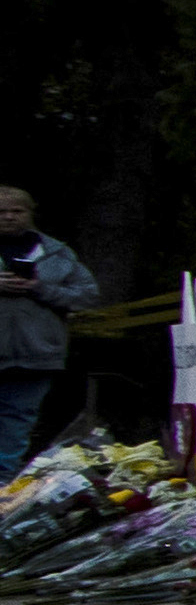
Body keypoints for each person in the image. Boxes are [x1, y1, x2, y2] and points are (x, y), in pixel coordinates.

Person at [0, 189, 97, 460]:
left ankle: (2, 488)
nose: (8, 217)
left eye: (17, 211)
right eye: (1, 212)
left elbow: (88, 296)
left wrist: (40, 288)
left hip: (35, 355)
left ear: (31, 213)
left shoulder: (56, 253)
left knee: (16, 423)